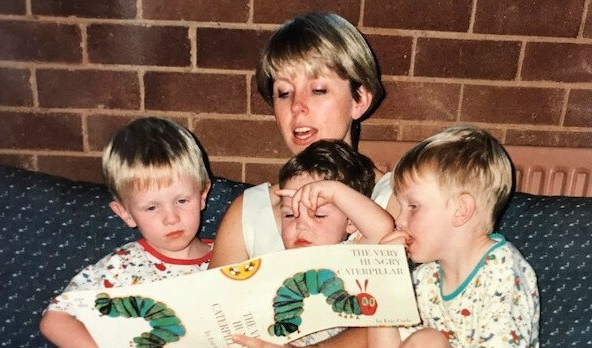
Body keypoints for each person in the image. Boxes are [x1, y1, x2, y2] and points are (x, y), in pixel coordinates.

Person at [210, 11, 394, 274]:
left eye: (318, 90)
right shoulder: (250, 211)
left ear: (360, 100)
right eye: (283, 93)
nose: (297, 107)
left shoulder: (397, 198)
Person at [39, 117, 213, 347]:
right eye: (152, 207)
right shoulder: (122, 265)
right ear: (125, 214)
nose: (171, 218)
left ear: (202, 195)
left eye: (182, 200)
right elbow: (55, 320)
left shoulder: (232, 253)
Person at [369, 125, 540, 347]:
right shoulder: (426, 279)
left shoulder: (502, 272)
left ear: (460, 210)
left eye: (413, 206)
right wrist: (384, 282)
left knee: (427, 341)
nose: (399, 221)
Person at [267, 139, 405, 346]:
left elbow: (381, 227)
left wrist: (334, 191)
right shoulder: (274, 259)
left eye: (319, 215)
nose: (301, 225)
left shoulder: (351, 253)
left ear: (351, 222)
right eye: (289, 215)